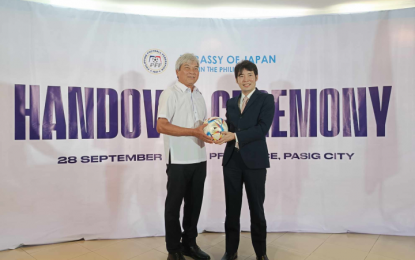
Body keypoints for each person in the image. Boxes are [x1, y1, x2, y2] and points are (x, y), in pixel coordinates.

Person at [215, 60, 275, 260]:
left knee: (256, 210)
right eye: (241, 76)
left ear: (256, 77)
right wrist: (220, 133)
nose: (245, 79)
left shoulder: (266, 100)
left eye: (249, 75)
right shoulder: (231, 102)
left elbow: (262, 128)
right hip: (232, 161)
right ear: (236, 80)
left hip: (255, 162)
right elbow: (230, 128)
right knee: (231, 210)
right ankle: (230, 252)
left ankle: (261, 254)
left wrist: (235, 136)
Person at [157, 53, 212, 260]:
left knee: (194, 205)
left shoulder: (198, 94)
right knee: (173, 206)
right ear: (177, 71)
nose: (192, 71)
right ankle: (173, 249)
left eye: (196, 67)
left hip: (199, 157)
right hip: (178, 159)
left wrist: (209, 134)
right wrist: (193, 132)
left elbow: (200, 127)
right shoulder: (170, 93)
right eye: (187, 67)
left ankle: (190, 244)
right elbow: (161, 125)